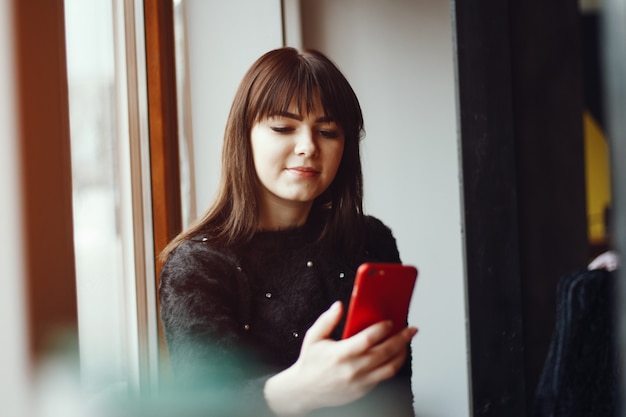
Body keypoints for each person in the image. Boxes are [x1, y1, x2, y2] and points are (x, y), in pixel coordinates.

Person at [158, 47, 417, 417]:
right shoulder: (197, 267)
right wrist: (298, 390)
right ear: (243, 135)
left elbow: (395, 398)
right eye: (283, 128)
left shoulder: (369, 241)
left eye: (327, 131)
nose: (308, 147)